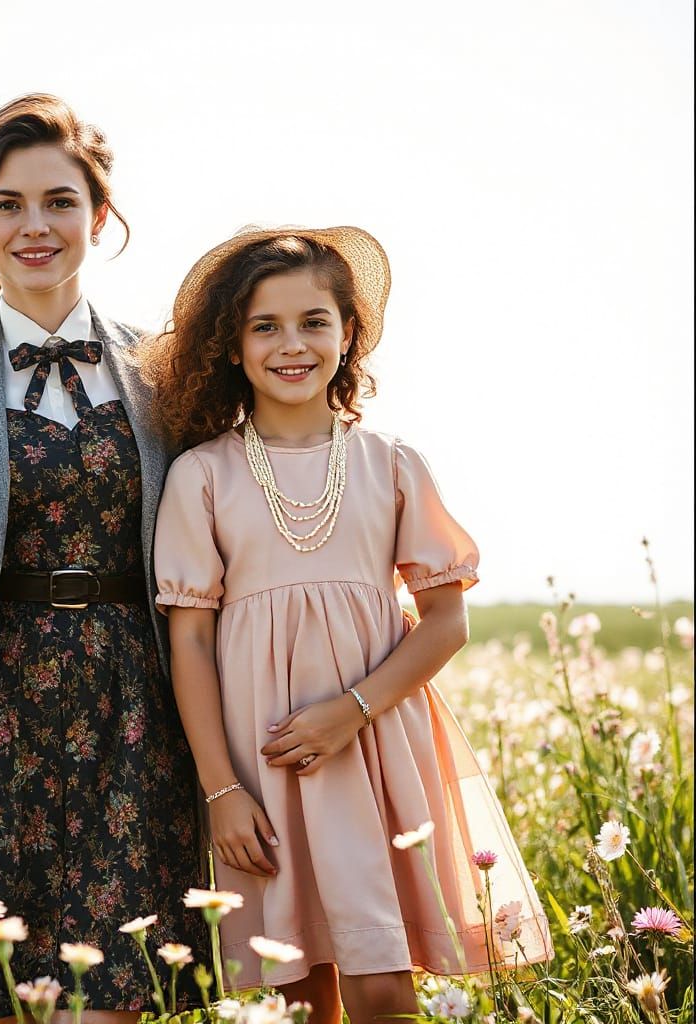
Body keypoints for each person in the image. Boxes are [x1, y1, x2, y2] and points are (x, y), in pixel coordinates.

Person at [147, 227, 553, 1024]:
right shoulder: (202, 474)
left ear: (348, 334)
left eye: (314, 321)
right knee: (298, 983)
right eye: (265, 326)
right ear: (231, 344)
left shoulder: (391, 464)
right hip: (263, 762)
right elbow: (189, 639)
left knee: (380, 978)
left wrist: (351, 709)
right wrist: (221, 788)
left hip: (372, 745)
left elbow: (445, 623)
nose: (291, 344)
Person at [0, 94, 206, 1024]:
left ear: (99, 215)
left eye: (59, 201)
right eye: (7, 205)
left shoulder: (168, 369)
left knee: (115, 995)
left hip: (137, 710)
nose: (35, 226)